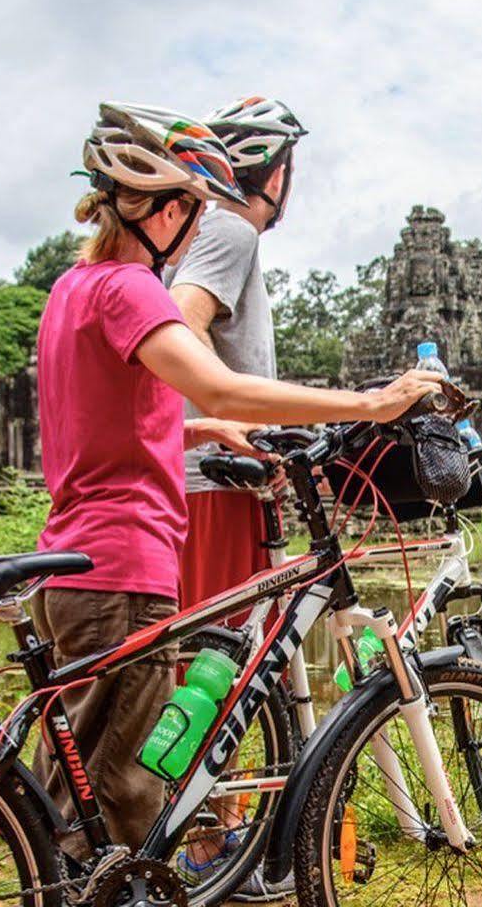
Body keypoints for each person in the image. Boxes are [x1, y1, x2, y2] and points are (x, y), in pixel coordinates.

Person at [31, 100, 445, 866]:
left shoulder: (70, 291)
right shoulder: (130, 289)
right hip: (124, 568)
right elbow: (220, 386)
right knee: (123, 798)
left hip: (69, 562)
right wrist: (371, 402)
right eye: (190, 205)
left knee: (71, 794)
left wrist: (186, 429)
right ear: (163, 207)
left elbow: (95, 423)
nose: (196, 226)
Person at [166, 96, 308, 614]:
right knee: (226, 664)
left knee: (210, 663)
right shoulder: (230, 229)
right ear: (277, 176)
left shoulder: (193, 234)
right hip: (216, 481)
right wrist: (236, 426)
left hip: (202, 477)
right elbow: (184, 320)